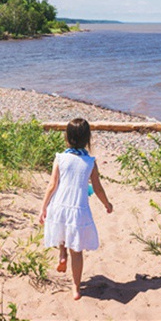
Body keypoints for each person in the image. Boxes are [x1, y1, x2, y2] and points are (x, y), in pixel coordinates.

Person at [39, 118, 114, 300]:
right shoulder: (90, 162)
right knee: (77, 250)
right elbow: (97, 188)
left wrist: (43, 207)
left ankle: (62, 254)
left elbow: (52, 185)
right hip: (78, 209)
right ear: (88, 139)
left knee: (62, 230)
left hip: (58, 205)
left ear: (67, 137)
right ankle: (76, 288)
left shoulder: (60, 158)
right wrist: (107, 204)